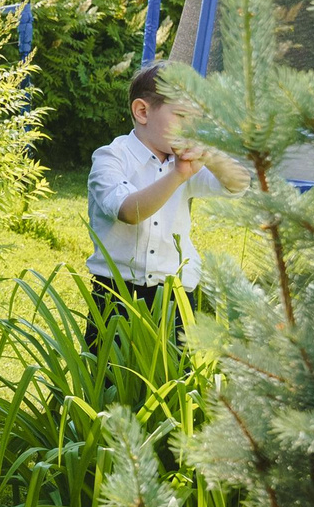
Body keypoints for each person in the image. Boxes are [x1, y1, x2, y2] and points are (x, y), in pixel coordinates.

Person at [86, 62, 251, 319]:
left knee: (174, 360)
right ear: (142, 111)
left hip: (175, 295)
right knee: (110, 360)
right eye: (182, 116)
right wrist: (177, 176)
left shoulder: (184, 162)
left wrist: (212, 155)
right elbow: (129, 211)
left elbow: (239, 184)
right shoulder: (111, 158)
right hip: (116, 293)